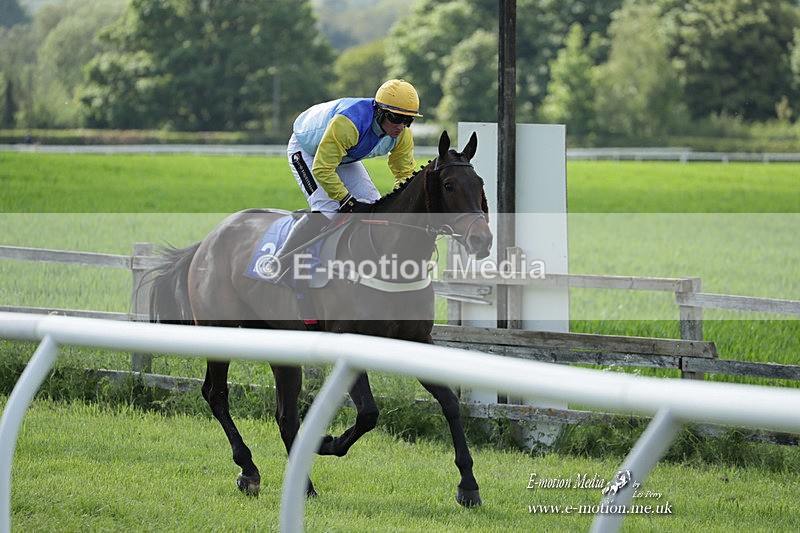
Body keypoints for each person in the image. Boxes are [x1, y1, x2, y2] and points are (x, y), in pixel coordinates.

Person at [267, 79, 422, 277]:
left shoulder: (402, 135)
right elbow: (323, 168)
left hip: (343, 154)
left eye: (408, 120)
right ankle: (279, 261)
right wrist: (345, 199)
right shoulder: (348, 123)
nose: (401, 126)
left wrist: (403, 203)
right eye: (395, 118)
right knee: (328, 209)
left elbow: (405, 174)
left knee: (372, 205)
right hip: (307, 149)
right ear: (380, 112)